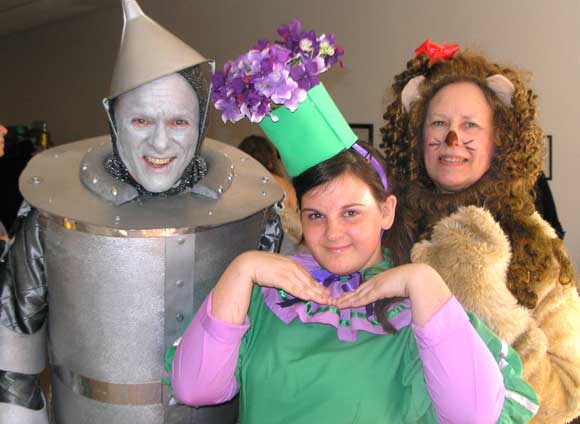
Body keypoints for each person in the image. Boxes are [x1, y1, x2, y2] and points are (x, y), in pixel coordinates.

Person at [170, 23, 538, 424]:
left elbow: (475, 417)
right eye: (315, 215)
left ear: (386, 210)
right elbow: (196, 388)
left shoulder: (422, 308)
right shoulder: (267, 295)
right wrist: (243, 270)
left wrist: (422, 282)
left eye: (351, 213)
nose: (332, 233)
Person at [0, 1, 282, 423]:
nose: (161, 144)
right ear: (115, 119)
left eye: (179, 123)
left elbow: (277, 348)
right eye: (141, 121)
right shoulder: (48, 218)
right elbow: (13, 358)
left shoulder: (258, 217)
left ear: (202, 122)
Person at [381, 39, 580, 424]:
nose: (451, 139)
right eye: (439, 123)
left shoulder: (536, 244)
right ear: (418, 139)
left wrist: (487, 303)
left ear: (498, 141)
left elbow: (568, 397)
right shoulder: (384, 226)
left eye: (469, 124)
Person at [238, 134, 302, 244]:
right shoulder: (286, 185)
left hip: (254, 244)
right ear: (270, 157)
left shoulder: (241, 185)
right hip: (289, 244)